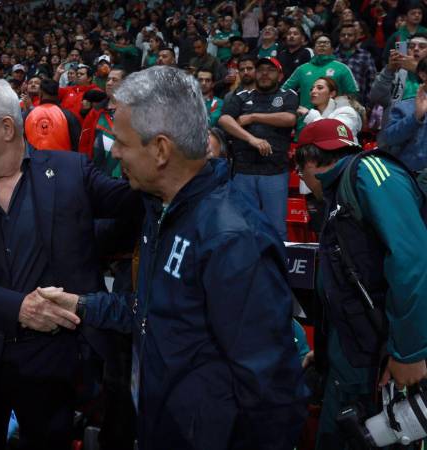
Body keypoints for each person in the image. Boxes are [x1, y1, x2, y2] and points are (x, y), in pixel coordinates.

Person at [37, 65, 307, 450]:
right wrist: (82, 306)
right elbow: (153, 312)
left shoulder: (233, 238)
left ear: (161, 149)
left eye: (123, 142)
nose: (114, 152)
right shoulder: (160, 210)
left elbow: (270, 390)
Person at [0, 78, 140, 450]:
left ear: (7, 128)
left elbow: (135, 201)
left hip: (55, 361)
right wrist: (19, 308)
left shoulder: (72, 171)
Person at [294, 118, 427, 449]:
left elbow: (412, 261)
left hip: (381, 361)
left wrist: (408, 352)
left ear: (308, 161)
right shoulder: (339, 192)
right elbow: (342, 286)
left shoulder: (369, 174)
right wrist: (323, 352)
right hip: (349, 355)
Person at [219, 57, 298, 240]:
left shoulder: (288, 95)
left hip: (274, 170)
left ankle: (278, 267)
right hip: (243, 170)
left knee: (276, 227)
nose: (264, 73)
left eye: (270, 70)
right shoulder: (240, 96)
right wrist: (252, 139)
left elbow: (289, 119)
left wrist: (253, 117)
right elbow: (224, 120)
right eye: (260, 69)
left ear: (280, 75)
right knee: (243, 225)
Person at [381, 57, 427, 172]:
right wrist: (416, 117)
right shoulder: (404, 107)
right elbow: (389, 138)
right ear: (423, 75)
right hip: (411, 177)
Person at [79, 68, 126, 176]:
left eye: (114, 80)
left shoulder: (133, 111)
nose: (109, 83)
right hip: (97, 174)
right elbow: (84, 143)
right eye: (108, 79)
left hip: (125, 176)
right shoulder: (96, 111)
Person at [25, 79, 82, 151]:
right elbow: (77, 143)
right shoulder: (69, 116)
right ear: (57, 94)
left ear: (40, 93)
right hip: (62, 160)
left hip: (34, 160)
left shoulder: (28, 115)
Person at [298, 77, 363, 139]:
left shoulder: (347, 111)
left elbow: (339, 134)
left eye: (320, 88)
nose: (313, 91)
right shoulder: (316, 115)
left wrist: (309, 114)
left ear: (332, 94)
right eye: (311, 89)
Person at [334, 23, 378, 105]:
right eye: (343, 35)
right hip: (334, 104)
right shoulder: (333, 56)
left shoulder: (365, 55)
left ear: (356, 37)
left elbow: (372, 82)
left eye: (350, 35)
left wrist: (368, 105)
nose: (346, 37)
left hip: (358, 104)